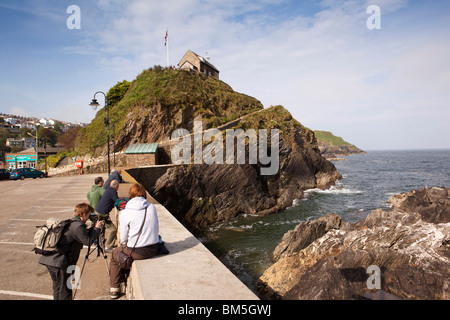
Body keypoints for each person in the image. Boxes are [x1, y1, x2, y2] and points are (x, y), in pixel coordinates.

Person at [38, 203, 102, 300]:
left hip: (51, 260)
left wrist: (88, 231)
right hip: (59, 262)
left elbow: (76, 236)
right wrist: (96, 229)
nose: (89, 217)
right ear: (84, 214)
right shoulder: (78, 226)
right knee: (65, 289)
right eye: (89, 214)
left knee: (58, 287)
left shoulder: (71, 222)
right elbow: (88, 241)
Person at [109, 183, 159, 299]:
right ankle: (120, 280)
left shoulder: (126, 212)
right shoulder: (151, 207)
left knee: (115, 254)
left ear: (130, 195)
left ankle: (114, 288)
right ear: (144, 194)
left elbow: (124, 238)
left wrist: (124, 245)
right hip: (153, 249)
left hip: (137, 252)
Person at [96, 180, 119, 251]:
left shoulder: (108, 190)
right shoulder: (113, 191)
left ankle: (100, 246)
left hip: (98, 211)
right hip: (103, 213)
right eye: (118, 186)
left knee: (101, 230)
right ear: (115, 186)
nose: (118, 187)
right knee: (112, 229)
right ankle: (108, 247)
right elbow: (117, 201)